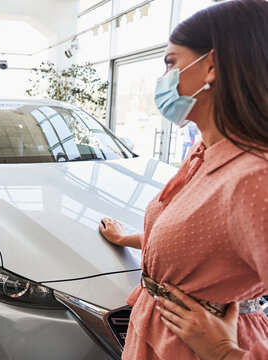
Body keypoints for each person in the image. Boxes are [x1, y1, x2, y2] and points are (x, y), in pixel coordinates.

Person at [99, 1, 268, 359]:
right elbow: (198, 244)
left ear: (211, 66)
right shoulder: (203, 153)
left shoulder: (255, 177)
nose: (164, 79)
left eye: (171, 63)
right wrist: (126, 237)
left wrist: (225, 352)